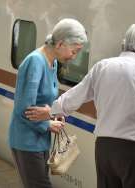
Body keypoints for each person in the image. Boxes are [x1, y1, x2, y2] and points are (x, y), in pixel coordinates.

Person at [27, 24, 135, 188]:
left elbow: (74, 97)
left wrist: (52, 110)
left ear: (124, 45)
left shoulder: (102, 67)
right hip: (134, 152)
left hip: (104, 150)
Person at [9, 18, 87, 188]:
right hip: (26, 141)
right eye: (74, 52)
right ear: (59, 44)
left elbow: (44, 102)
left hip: (39, 141)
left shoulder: (53, 62)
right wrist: (47, 124)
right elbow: (24, 109)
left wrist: (54, 115)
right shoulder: (35, 62)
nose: (74, 57)